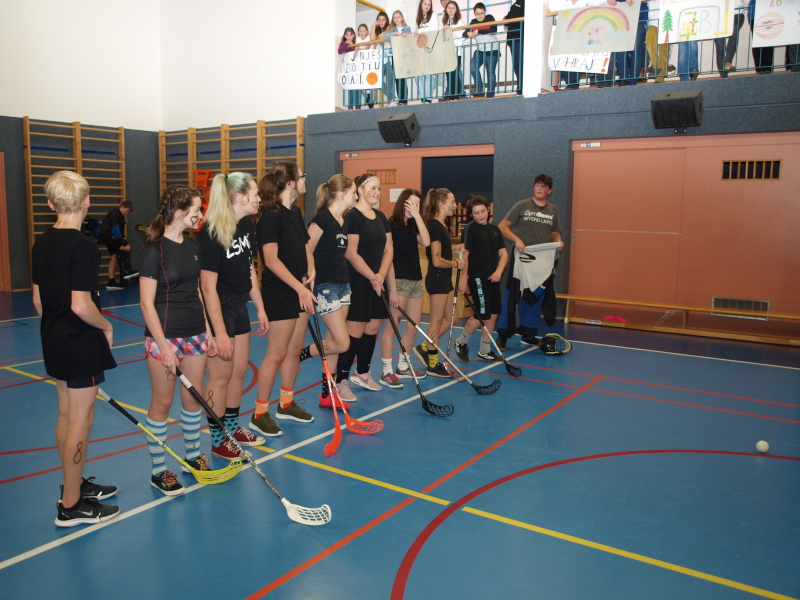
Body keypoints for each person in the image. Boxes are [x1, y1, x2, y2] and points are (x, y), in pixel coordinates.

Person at [32, 170, 119, 526]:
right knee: (80, 421)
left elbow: (39, 301)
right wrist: (106, 326)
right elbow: (81, 305)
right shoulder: (83, 246)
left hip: (54, 340)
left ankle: (75, 482)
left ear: (50, 204)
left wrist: (59, 329)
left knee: (67, 416)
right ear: (87, 201)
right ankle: (70, 504)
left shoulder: (41, 242)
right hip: (80, 342)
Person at [140, 186, 212, 495]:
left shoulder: (193, 245)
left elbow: (197, 291)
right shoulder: (154, 250)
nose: (200, 215)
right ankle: (158, 471)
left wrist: (208, 330)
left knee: (193, 398)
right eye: (197, 209)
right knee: (163, 402)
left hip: (195, 333)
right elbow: (146, 303)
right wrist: (164, 347)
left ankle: (193, 458)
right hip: (165, 336)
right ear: (180, 213)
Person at [198, 173, 270, 455]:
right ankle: (218, 440)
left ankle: (231, 427)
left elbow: (249, 269)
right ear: (240, 197)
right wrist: (219, 332)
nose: (259, 198)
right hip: (220, 307)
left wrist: (259, 307)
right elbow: (207, 286)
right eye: (255, 193)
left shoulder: (246, 225)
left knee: (238, 372)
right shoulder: (212, 231)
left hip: (240, 305)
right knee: (220, 376)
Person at [252, 162, 316, 432]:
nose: (305, 180)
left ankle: (286, 403)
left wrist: (311, 271)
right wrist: (299, 288)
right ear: (291, 183)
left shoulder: (295, 211)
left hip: (300, 289)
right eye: (302, 176)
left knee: (293, 350)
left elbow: (305, 246)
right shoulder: (270, 216)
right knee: (276, 353)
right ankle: (259, 413)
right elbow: (271, 260)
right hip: (280, 291)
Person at [296, 174, 358, 407]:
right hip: (325, 286)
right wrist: (308, 277)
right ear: (341, 194)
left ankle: (327, 394)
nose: (356, 196)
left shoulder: (344, 221)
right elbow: (306, 249)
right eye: (353, 192)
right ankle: (300, 354)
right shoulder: (322, 219)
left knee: (333, 341)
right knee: (342, 343)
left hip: (343, 284)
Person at [334, 174, 393, 397]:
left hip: (378, 280)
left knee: (373, 328)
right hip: (358, 281)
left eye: (379, 188)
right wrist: (373, 277)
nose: (377, 192)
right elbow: (351, 253)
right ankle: (341, 381)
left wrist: (381, 275)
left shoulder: (381, 216)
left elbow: (389, 249)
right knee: (355, 330)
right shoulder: (353, 217)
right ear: (359, 189)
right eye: (372, 188)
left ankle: (363, 373)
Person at [496, 174, 564, 350]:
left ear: (549, 191)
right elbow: (502, 226)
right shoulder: (522, 205)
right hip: (522, 257)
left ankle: (528, 334)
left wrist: (559, 242)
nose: (539, 189)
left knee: (535, 295)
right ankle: (503, 335)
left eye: (543, 186)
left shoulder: (553, 210)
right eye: (537, 185)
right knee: (512, 294)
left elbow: (555, 233)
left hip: (541, 261)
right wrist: (517, 240)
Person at [379, 188, 430, 387]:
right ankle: (386, 371)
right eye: (410, 203)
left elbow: (426, 241)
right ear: (402, 203)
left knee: (413, 326)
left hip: (415, 281)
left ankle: (403, 366)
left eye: (417, 204)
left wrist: (417, 217)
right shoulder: (390, 225)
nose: (414, 207)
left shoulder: (414, 226)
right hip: (398, 281)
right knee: (393, 326)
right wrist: (392, 288)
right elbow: (388, 258)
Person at [413, 188, 464, 377]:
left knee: (453, 318)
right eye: (452, 201)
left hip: (445, 279)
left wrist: (453, 250)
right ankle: (433, 364)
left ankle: (425, 347)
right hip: (437, 279)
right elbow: (436, 260)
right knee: (435, 321)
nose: (455, 205)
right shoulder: (434, 227)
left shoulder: (441, 226)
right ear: (441, 204)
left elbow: (441, 252)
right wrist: (456, 263)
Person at [454, 195, 508, 362]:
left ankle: (485, 350)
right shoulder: (470, 229)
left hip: (493, 278)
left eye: (483, 211)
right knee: (482, 314)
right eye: (476, 213)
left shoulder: (495, 230)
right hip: (477, 277)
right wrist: (463, 278)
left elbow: (503, 253)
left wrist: (498, 271)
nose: (480, 215)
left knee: (493, 314)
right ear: (471, 214)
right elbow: (465, 254)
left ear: (488, 210)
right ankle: (461, 341)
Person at [99, 199, 138, 289]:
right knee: (122, 251)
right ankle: (127, 271)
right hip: (108, 236)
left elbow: (120, 232)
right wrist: (124, 243)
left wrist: (124, 241)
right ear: (123, 207)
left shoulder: (120, 216)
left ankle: (111, 281)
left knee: (114, 257)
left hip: (110, 236)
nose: (126, 213)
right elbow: (116, 231)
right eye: (126, 211)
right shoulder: (114, 215)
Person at [464, 3, 500, 98]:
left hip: (492, 50)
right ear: (474, 14)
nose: (480, 15)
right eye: (477, 13)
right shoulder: (473, 22)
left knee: (490, 72)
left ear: (485, 12)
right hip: (480, 50)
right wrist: (468, 33)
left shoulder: (490, 18)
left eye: (481, 13)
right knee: (473, 66)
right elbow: (465, 32)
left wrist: (479, 31)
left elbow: (493, 30)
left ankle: (490, 94)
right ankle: (480, 90)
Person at [383, 10, 412, 105]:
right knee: (397, 78)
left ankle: (404, 100)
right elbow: (384, 37)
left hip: (404, 54)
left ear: (402, 18)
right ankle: (400, 99)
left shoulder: (407, 28)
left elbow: (411, 38)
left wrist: (407, 35)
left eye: (398, 17)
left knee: (403, 77)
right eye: (394, 17)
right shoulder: (392, 29)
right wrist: (395, 34)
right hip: (395, 55)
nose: (397, 19)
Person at [414, 0, 441, 102]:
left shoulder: (433, 14)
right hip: (420, 48)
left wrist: (419, 31)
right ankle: (423, 97)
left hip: (430, 48)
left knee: (429, 74)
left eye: (429, 4)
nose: (427, 6)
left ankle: (428, 98)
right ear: (421, 4)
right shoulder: (419, 18)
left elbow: (434, 29)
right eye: (425, 4)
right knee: (418, 75)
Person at [714, 1, 746, 77]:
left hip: (736, 12)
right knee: (720, 46)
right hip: (718, 14)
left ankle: (728, 62)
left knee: (734, 30)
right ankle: (723, 77)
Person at [442, 1, 466, 101]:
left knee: (455, 73)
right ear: (446, 9)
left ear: (456, 10)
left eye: (453, 8)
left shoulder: (460, 21)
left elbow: (462, 35)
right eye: (449, 8)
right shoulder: (444, 21)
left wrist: (451, 29)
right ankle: (451, 95)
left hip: (456, 50)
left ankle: (456, 95)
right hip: (447, 50)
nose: (451, 10)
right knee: (449, 74)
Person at [370, 12, 394, 106]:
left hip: (387, 59)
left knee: (389, 81)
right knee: (377, 81)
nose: (381, 22)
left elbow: (381, 37)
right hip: (378, 61)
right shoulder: (377, 30)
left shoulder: (389, 28)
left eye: (383, 20)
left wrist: (378, 38)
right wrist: (373, 25)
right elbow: (372, 39)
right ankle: (393, 98)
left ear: (386, 20)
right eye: (379, 20)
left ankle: (391, 101)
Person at [503, 0, 525, 94]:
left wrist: (506, 18)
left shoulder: (522, 3)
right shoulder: (516, 3)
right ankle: (520, 87)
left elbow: (511, 17)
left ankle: (521, 87)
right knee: (517, 65)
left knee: (519, 64)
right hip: (514, 39)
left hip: (518, 38)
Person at [339, 27, 362, 110]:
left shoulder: (356, 43)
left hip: (356, 68)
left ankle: (358, 106)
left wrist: (355, 46)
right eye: (347, 35)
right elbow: (340, 51)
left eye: (351, 35)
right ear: (345, 36)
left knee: (357, 87)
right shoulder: (343, 44)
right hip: (349, 69)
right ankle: (350, 106)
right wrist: (346, 44)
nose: (349, 37)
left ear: (354, 35)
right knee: (351, 87)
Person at [356, 23, 377, 107]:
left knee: (372, 82)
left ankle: (373, 99)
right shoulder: (357, 39)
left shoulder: (369, 38)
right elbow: (355, 48)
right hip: (361, 64)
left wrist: (360, 49)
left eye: (364, 31)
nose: (362, 32)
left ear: (367, 31)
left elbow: (368, 47)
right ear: (358, 32)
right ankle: (367, 97)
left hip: (370, 63)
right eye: (360, 31)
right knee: (361, 81)